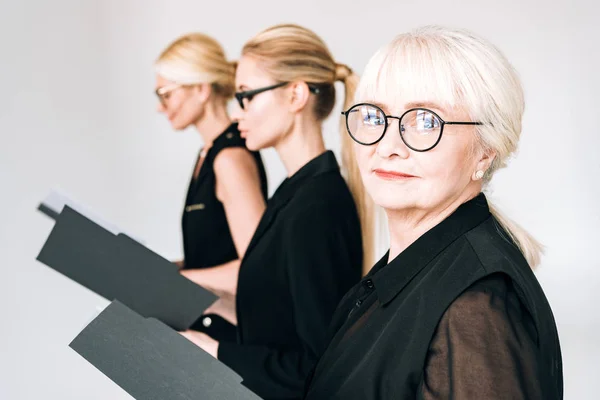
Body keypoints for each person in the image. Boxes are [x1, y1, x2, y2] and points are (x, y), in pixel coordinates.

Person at [304, 25, 563, 399]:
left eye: (426, 121)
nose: (388, 145)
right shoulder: (411, 269)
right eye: (376, 116)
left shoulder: (476, 307)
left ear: (484, 152)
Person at [181, 24, 374, 399]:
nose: (238, 115)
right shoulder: (295, 193)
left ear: (296, 95)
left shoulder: (317, 206)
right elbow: (280, 319)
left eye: (247, 97)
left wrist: (214, 351)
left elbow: (320, 369)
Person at [155, 33, 268, 342]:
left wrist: (178, 278)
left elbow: (258, 267)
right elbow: (215, 252)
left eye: (165, 94)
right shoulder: (209, 154)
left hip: (229, 335)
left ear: (201, 89)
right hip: (206, 325)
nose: (160, 107)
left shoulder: (230, 158)